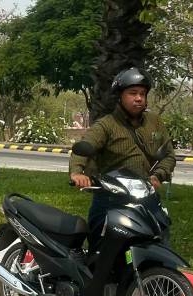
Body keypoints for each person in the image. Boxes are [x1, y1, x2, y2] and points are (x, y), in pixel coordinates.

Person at [70, 67, 175, 232]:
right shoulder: (106, 124)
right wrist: (77, 173)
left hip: (145, 195)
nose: (139, 98)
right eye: (133, 93)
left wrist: (158, 175)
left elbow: (168, 155)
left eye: (142, 94)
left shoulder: (154, 122)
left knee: (160, 241)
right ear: (120, 96)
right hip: (112, 198)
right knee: (101, 245)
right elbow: (85, 146)